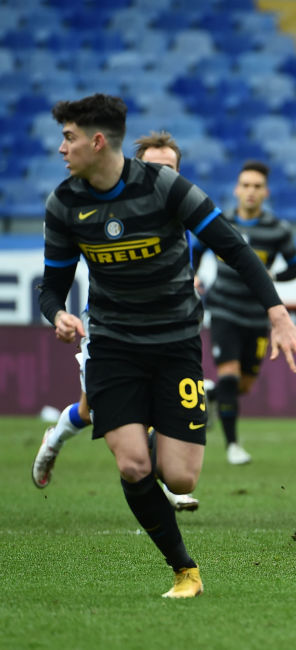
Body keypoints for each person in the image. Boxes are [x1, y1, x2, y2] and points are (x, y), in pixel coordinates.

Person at [38, 94, 296, 598]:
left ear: (97, 142)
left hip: (176, 343)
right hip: (114, 344)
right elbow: (52, 286)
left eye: (69, 137)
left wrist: (278, 314)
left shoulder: (165, 186)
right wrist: (57, 313)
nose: (62, 148)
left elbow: (234, 247)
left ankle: (143, 433)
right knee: (132, 465)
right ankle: (185, 570)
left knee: (182, 479)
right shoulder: (63, 204)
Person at [32, 131, 198, 512]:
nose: (161, 177)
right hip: (111, 331)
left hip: (165, 330)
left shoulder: (187, 212)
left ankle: (170, 478)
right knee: (93, 412)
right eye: (153, 168)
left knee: (140, 405)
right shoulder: (110, 212)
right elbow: (56, 279)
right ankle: (55, 441)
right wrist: (59, 313)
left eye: (169, 170)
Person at [193, 160, 296, 465]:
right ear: (236, 190)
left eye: (257, 186)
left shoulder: (278, 229)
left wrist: (272, 276)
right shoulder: (220, 222)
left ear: (266, 192)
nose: (250, 191)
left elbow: (294, 268)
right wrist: (193, 275)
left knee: (243, 385)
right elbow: (195, 252)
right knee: (229, 376)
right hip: (223, 310)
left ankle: (212, 395)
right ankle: (232, 446)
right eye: (245, 185)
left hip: (257, 316)